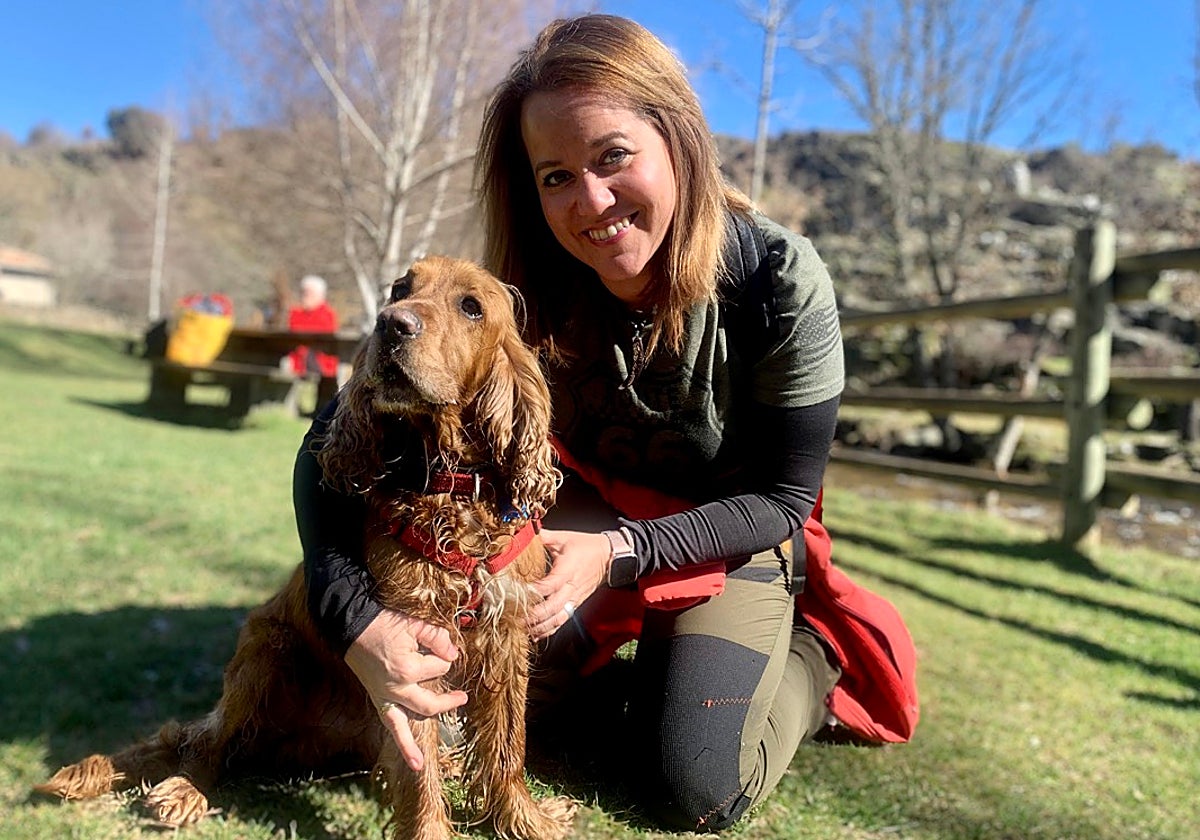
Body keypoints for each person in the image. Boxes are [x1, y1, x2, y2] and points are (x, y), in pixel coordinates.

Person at [293, 13, 915, 833]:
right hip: (573, 518)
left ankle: (810, 660)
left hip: (729, 534)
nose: (590, 201)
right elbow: (326, 443)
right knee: (508, 710)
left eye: (613, 156)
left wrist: (621, 552)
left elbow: (783, 500)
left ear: (678, 140)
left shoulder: (777, 281)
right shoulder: (521, 290)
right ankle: (652, 676)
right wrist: (355, 620)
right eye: (556, 175)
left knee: (697, 783)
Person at [286, 274, 340, 377]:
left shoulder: (327, 314)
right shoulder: (295, 313)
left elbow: (322, 338)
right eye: (304, 292)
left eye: (310, 293)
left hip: (320, 364)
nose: (306, 296)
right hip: (297, 362)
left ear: (320, 295)